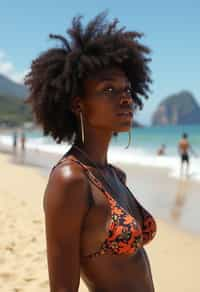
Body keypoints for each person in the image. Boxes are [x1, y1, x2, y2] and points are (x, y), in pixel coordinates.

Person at [25, 12, 157, 292]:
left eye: (127, 89)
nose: (125, 98)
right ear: (78, 105)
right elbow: (62, 288)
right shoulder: (71, 180)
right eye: (108, 89)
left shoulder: (114, 175)